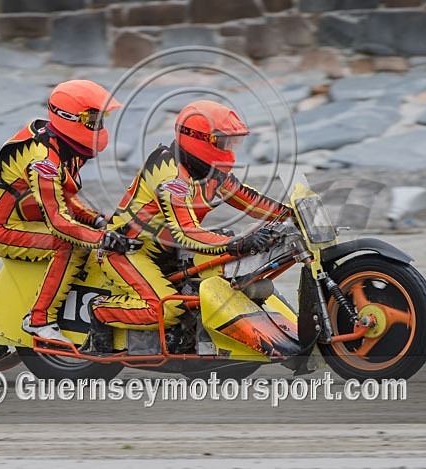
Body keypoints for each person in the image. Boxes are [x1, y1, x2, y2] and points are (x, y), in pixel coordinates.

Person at [86, 100, 292, 352]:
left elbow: (248, 199)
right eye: (223, 142)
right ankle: (100, 311)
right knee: (167, 308)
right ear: (199, 139)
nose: (229, 149)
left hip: (170, 251)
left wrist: (291, 214)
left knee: (231, 274)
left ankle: (194, 338)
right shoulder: (170, 175)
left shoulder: (209, 170)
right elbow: (186, 233)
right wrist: (237, 243)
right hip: (128, 250)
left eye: (231, 142)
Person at [0, 79, 133, 369]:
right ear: (69, 118)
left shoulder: (64, 146)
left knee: (95, 234)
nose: (99, 127)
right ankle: (38, 321)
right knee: (69, 245)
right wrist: (101, 237)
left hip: (31, 219)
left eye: (102, 119)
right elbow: (58, 221)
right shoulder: (43, 160)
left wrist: (99, 220)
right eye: (93, 120)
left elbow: (64, 198)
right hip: (2, 228)